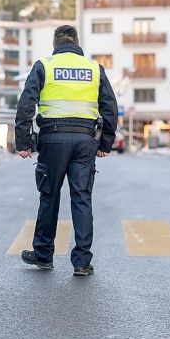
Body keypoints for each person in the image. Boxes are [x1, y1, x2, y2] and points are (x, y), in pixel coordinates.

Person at [14, 25, 118, 277]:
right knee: (81, 197)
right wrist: (105, 143)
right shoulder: (94, 69)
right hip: (85, 141)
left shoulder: (44, 65)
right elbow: (110, 107)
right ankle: (82, 262)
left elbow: (26, 104)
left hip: (53, 139)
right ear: (77, 42)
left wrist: (23, 142)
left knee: (49, 196)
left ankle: (43, 255)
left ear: (55, 43)